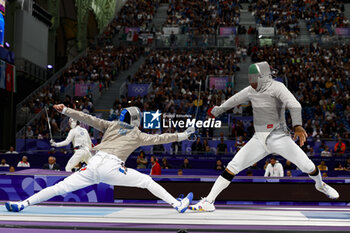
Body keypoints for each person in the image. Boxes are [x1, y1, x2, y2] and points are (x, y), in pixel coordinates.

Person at [190, 61, 338, 212]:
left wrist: (297, 125)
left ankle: (320, 185)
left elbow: (294, 104)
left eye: (255, 78)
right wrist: (216, 111)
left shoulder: (277, 87)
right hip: (258, 139)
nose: (252, 82)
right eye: (250, 78)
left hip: (279, 137)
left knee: (308, 166)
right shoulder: (250, 90)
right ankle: (209, 201)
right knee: (232, 167)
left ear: (263, 77)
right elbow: (234, 100)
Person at [6, 104, 194, 213]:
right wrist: (184, 135)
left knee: (58, 188)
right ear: (135, 119)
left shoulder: (111, 125)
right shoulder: (137, 134)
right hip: (111, 167)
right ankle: (177, 204)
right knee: (145, 181)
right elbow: (161, 138)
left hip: (93, 165)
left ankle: (22, 204)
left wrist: (66, 110)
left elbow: (86, 118)